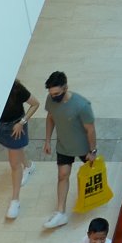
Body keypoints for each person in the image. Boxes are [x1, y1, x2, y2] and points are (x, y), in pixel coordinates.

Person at [42, 70, 98, 229]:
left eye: (57, 93)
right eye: (51, 94)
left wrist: (92, 151)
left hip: (83, 148)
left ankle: (93, 199)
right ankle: (60, 212)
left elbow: (91, 130)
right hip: (64, 146)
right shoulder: (51, 100)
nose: (54, 97)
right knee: (62, 175)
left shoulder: (82, 105)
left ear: (66, 88)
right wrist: (47, 140)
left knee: (91, 174)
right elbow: (50, 117)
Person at [0, 78, 39, 220]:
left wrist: (22, 122)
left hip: (16, 127)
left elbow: (35, 104)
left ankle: (15, 200)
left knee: (14, 164)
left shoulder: (16, 89)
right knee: (16, 151)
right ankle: (28, 165)